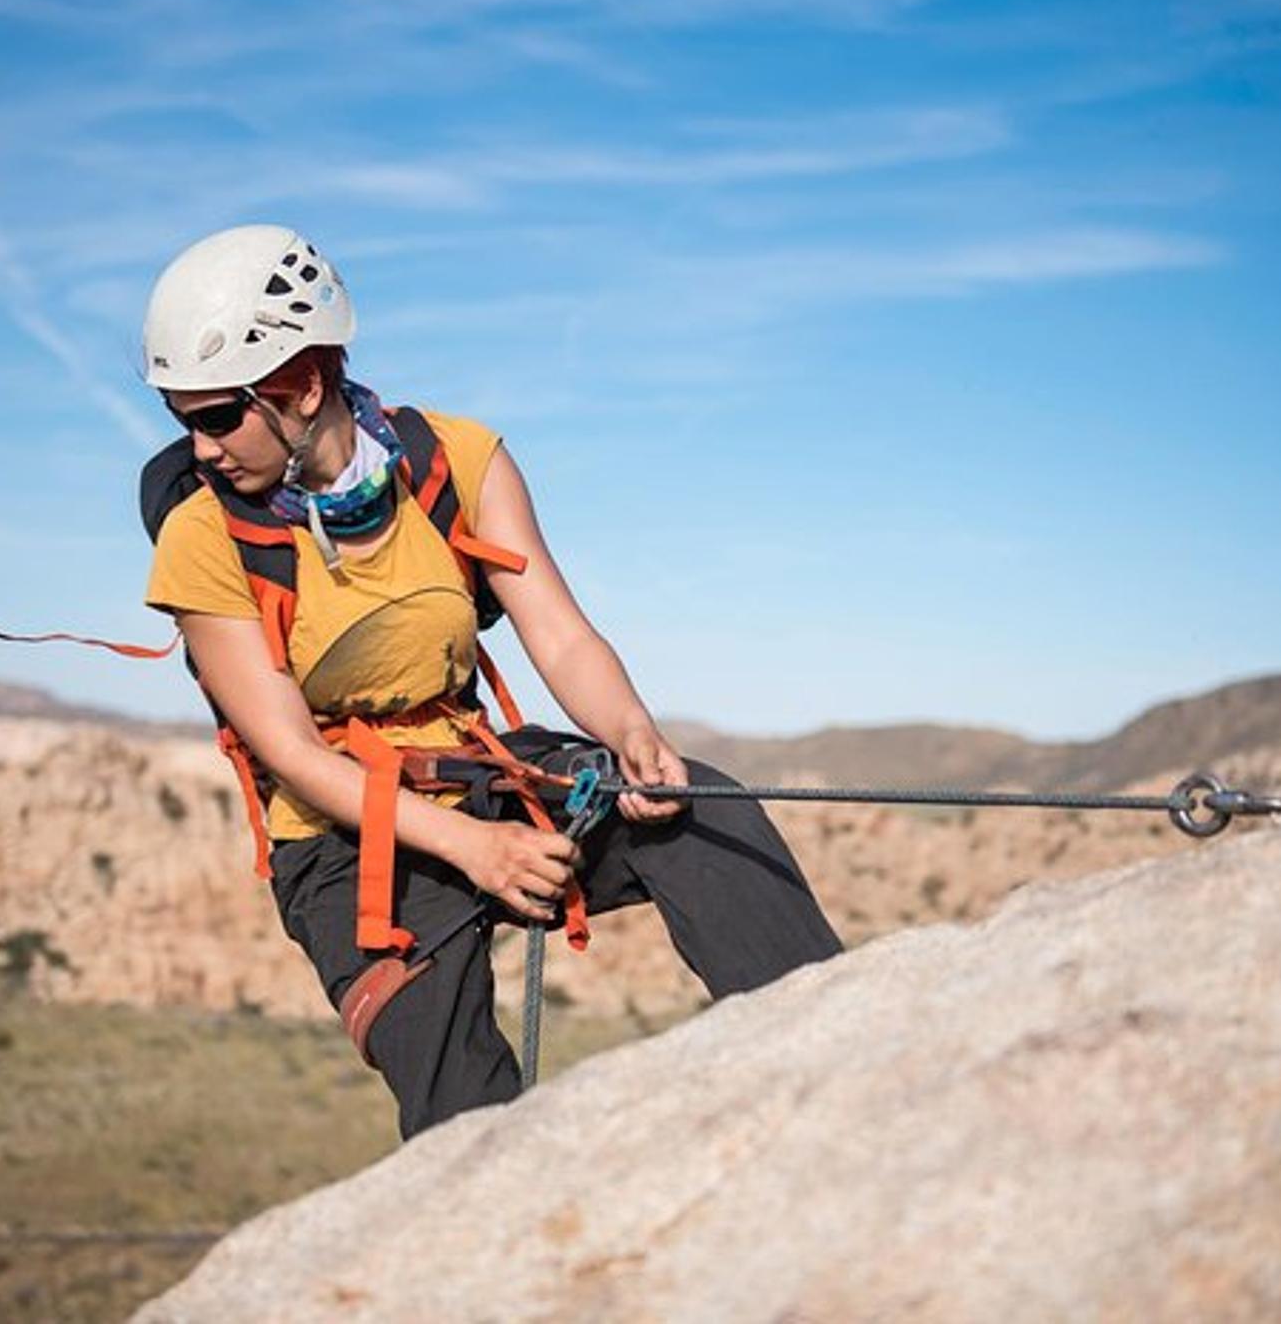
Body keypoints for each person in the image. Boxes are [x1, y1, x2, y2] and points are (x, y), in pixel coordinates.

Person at [140, 224, 841, 1139]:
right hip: (344, 839)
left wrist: (633, 735)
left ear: (302, 386)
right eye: (182, 419)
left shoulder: (456, 462)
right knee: (462, 1110)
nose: (199, 448)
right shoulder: (204, 537)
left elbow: (558, 631)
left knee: (704, 810)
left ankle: (833, 1067)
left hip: (473, 772)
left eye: (216, 416)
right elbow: (293, 757)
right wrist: (478, 854)